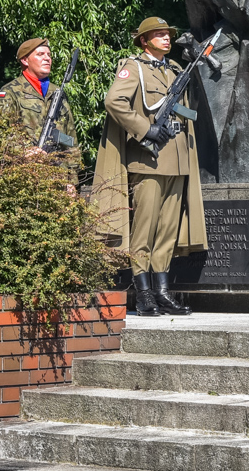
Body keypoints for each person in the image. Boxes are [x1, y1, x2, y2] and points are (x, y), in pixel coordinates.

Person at [94, 16, 208, 317]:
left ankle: (162, 292)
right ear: (145, 41)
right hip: (148, 160)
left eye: (167, 34)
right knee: (143, 230)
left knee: (168, 231)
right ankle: (143, 293)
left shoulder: (175, 70)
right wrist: (145, 129)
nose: (166, 39)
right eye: (159, 35)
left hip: (177, 160)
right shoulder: (135, 68)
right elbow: (114, 101)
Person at [0, 37, 78, 163]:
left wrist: (72, 179)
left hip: (58, 175)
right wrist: (22, 151)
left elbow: (70, 138)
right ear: (25, 60)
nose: (47, 58)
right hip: (24, 172)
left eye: (49, 55)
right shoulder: (10, 92)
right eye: (40, 54)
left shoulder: (57, 93)